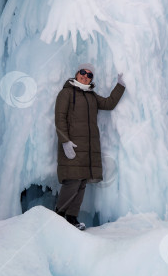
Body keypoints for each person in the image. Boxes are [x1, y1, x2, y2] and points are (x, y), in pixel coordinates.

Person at [53, 63, 125, 230]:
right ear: (76, 73)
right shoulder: (66, 93)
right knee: (72, 182)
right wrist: (65, 141)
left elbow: (109, 103)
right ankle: (58, 217)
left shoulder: (91, 96)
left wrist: (120, 86)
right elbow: (59, 118)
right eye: (83, 73)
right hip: (71, 146)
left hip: (88, 149)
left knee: (81, 183)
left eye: (89, 75)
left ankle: (71, 218)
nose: (85, 76)